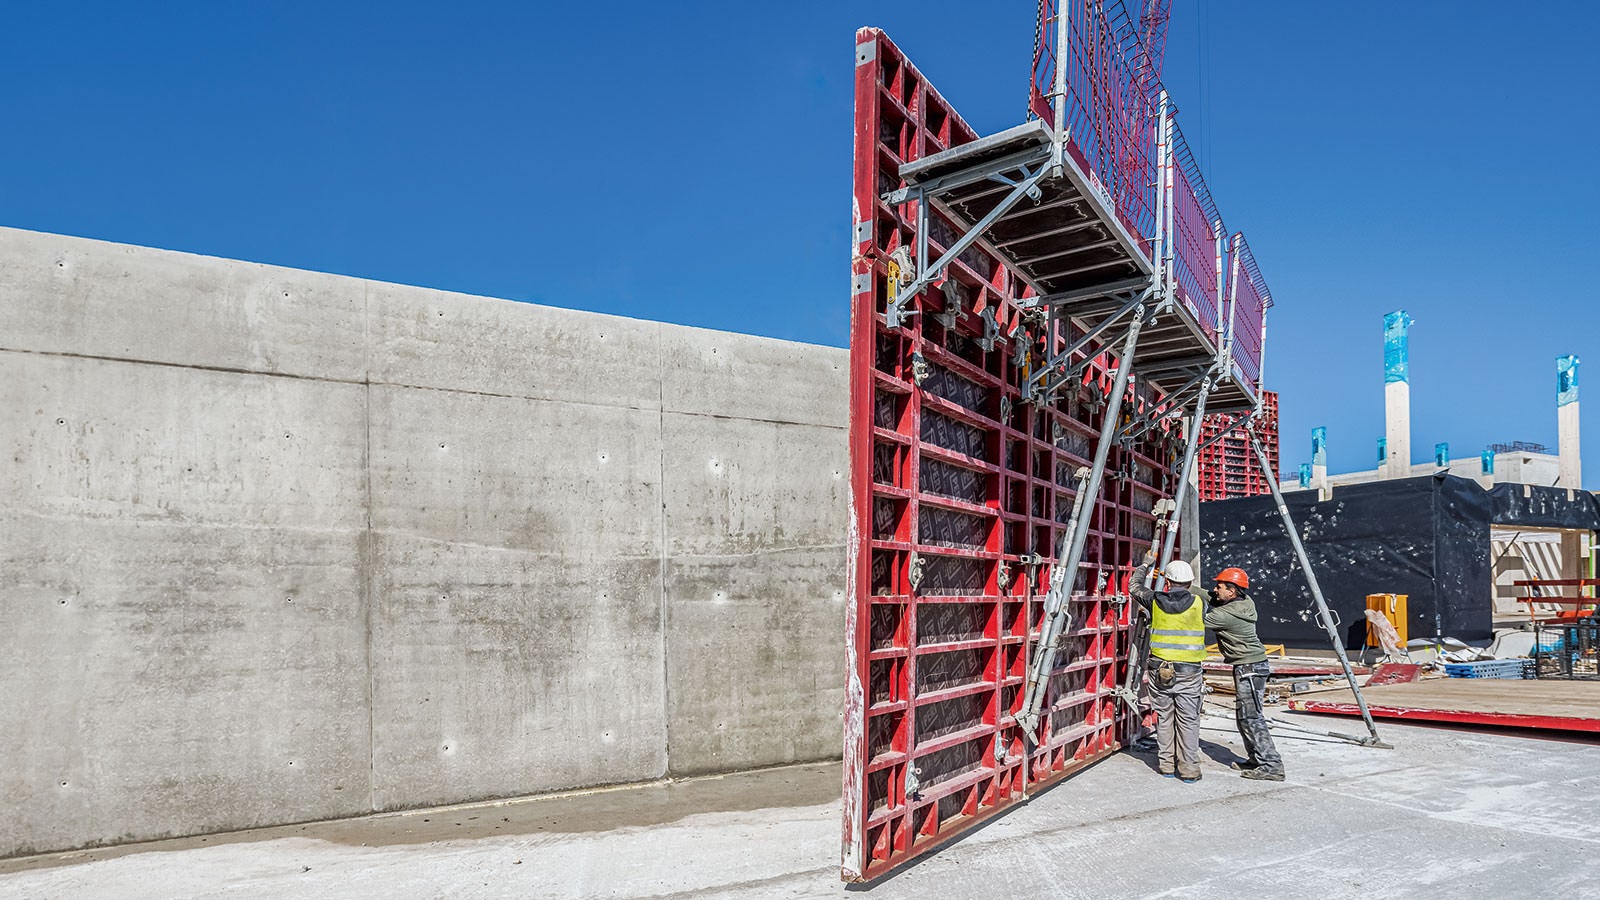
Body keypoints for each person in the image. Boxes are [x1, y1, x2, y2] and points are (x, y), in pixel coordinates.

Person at [1127, 551, 1207, 783]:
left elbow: (1134, 586)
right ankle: (1190, 770)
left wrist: (1145, 564)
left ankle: (1166, 766)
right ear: (1190, 582)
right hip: (1190, 671)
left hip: (1160, 669)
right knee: (1189, 719)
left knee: (1164, 717)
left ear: (1168, 582)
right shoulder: (1199, 603)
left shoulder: (1155, 601)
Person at [1207, 567, 1285, 781]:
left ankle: (1271, 765)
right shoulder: (1245, 602)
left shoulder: (1224, 614)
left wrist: (1179, 595)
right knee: (1244, 717)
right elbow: (1209, 596)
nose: (1215, 590)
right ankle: (1256, 759)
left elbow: (1197, 620)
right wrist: (1186, 586)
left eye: (1219, 587)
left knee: (1252, 717)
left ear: (1231, 591)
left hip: (1249, 669)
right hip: (1251, 666)